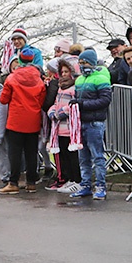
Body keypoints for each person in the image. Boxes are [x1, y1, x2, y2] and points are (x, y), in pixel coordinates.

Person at [0, 45, 46, 194]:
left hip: (16, 120)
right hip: (33, 120)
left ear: (19, 59)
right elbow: (42, 99)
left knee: (15, 153)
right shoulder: (38, 79)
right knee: (31, 152)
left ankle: (13, 182)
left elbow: (3, 99)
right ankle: (31, 182)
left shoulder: (12, 78)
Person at [69, 49, 112, 200]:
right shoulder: (79, 80)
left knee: (97, 156)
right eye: (80, 63)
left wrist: (82, 104)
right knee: (83, 157)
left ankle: (101, 186)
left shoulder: (101, 78)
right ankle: (86, 185)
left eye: (85, 62)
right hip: (81, 123)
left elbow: (105, 100)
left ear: (92, 63)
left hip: (95, 123)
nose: (82, 65)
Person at [46, 59, 82, 193]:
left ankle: (77, 180)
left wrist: (60, 113)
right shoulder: (61, 88)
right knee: (64, 156)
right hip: (59, 129)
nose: (64, 74)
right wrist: (52, 111)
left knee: (73, 156)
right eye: (62, 72)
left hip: (69, 128)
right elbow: (55, 103)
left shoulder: (74, 88)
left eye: (67, 72)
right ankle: (69, 179)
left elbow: (72, 105)